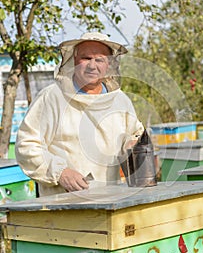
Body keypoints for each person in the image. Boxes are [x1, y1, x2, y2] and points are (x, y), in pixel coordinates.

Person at [15, 32, 144, 196]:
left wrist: (132, 145)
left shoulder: (120, 100)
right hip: (61, 203)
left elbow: (135, 135)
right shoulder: (52, 97)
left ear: (109, 65)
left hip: (110, 198)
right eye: (86, 58)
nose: (92, 65)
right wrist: (60, 172)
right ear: (74, 60)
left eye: (99, 59)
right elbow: (27, 145)